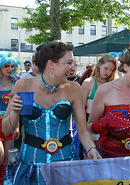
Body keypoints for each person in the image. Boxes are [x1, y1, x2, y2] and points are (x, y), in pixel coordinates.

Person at [2, 40, 101, 184]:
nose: (73, 67)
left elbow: (82, 129)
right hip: (31, 165)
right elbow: (6, 130)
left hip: (65, 164)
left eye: (74, 63)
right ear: (51, 64)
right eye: (68, 62)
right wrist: (15, 112)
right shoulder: (24, 85)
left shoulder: (73, 88)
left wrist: (91, 148)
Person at [82, 55, 117, 141]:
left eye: (111, 70)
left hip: (108, 127)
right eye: (106, 68)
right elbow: (80, 107)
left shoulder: (113, 84)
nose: (107, 72)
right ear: (99, 65)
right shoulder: (88, 82)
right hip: (90, 124)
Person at [0, 52, 21, 183]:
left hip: (9, 122)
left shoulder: (16, 83)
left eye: (12, 66)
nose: (9, 69)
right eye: (6, 66)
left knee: (8, 158)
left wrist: (17, 126)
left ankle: (4, 181)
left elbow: (17, 107)